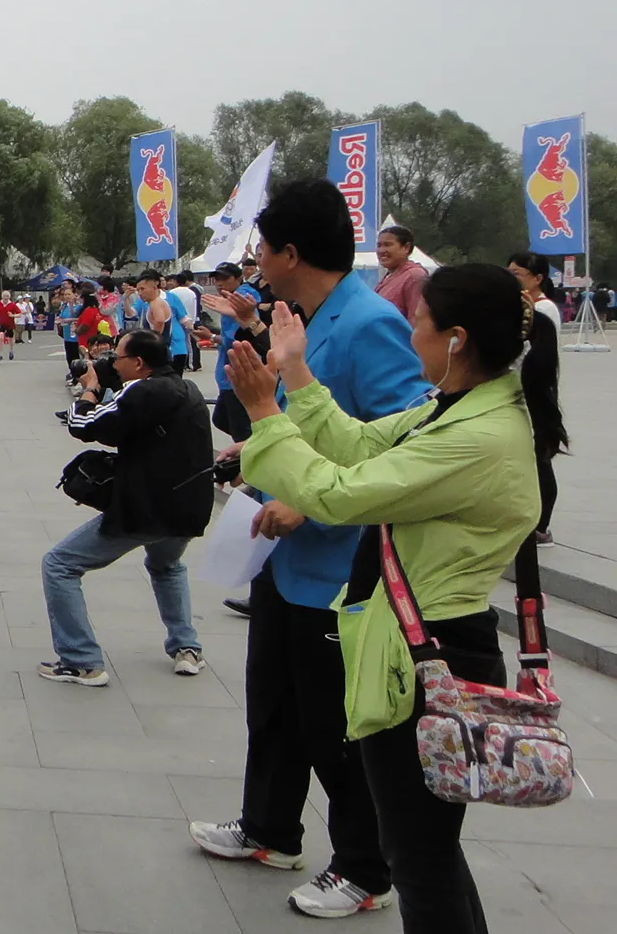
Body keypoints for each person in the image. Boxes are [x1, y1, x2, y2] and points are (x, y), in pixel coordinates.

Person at [223, 264, 562, 933]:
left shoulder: (476, 436)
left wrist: (265, 413)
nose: (411, 335)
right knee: (425, 850)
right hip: (419, 647)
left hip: (432, 659)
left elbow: (338, 495)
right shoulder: (460, 407)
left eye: (419, 322)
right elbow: (353, 445)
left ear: (456, 338)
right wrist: (293, 373)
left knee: (420, 861)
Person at [189, 180, 431, 921]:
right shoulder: (307, 316)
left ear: (292, 252)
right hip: (281, 561)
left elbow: (405, 443)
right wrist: (255, 448)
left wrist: (306, 502)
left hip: (339, 566)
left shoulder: (368, 323)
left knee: (337, 725)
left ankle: (365, 867)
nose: (255, 259)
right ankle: (268, 828)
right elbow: (297, 415)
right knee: (276, 704)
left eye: (263, 247)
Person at [39, 329, 211, 685]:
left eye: (116, 357)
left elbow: (85, 426)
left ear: (138, 363)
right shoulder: (186, 388)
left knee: (59, 564)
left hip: (148, 507)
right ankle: (186, 647)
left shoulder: (142, 390)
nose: (111, 363)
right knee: (166, 565)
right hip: (189, 506)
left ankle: (81, 660)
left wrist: (89, 388)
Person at [507, 252, 564, 547]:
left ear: (537, 278)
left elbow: (541, 355)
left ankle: (541, 526)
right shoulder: (521, 306)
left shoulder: (544, 309)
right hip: (520, 389)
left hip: (534, 389)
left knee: (540, 458)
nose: (512, 277)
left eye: (518, 273)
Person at [202, 262, 261, 443]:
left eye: (225, 279)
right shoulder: (232, 297)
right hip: (230, 372)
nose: (219, 283)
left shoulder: (240, 299)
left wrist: (212, 337)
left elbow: (238, 339)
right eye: (217, 279)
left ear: (238, 278)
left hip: (237, 373)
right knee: (221, 419)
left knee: (239, 429)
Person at [134, 270, 190, 373]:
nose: (140, 293)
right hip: (165, 351)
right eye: (138, 290)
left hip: (164, 353)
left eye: (142, 289)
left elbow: (159, 321)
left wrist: (152, 346)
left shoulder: (156, 303)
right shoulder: (154, 303)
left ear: (154, 286)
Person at [374, 226, 428, 320]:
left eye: (388, 245)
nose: (381, 250)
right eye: (379, 245)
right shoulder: (388, 277)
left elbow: (417, 320)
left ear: (406, 247)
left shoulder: (414, 276)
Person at [0, 291, 17, 362]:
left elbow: (19, 313)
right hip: (2, 323)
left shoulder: (12, 305)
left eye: (7, 296)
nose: (6, 297)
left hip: (10, 324)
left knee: (10, 339)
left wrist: (13, 315)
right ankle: (0, 354)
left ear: (9, 297)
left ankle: (11, 351)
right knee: (0, 337)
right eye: (4, 296)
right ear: (2, 297)